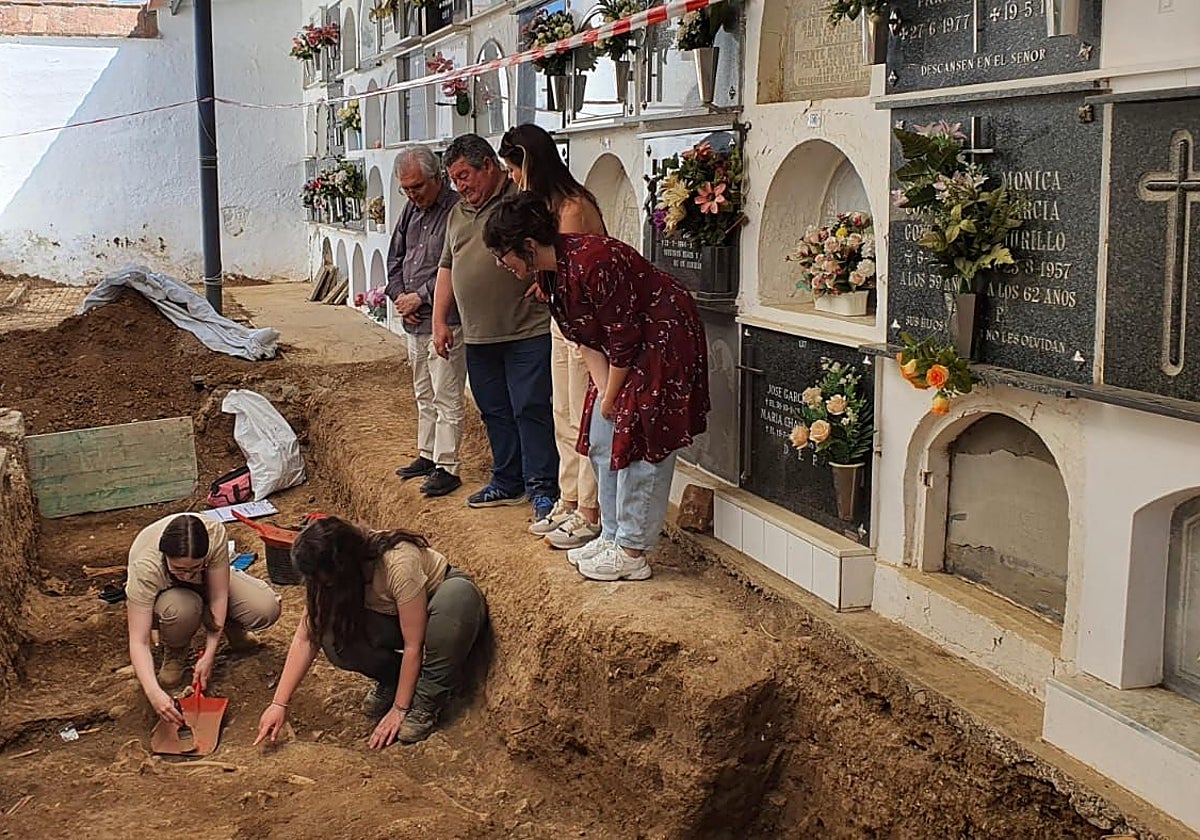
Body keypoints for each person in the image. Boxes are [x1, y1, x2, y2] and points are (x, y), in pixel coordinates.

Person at [483, 193, 710, 582]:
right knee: (603, 436)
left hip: (662, 340)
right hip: (621, 353)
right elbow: (583, 336)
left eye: (503, 255)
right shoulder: (550, 274)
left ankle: (633, 550)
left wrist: (614, 395)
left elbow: (625, 337)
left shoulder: (594, 261)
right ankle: (612, 534)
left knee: (642, 440)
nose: (500, 264)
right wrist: (607, 395)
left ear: (528, 245)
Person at [254, 516, 486, 748]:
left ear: (343, 568)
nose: (319, 584)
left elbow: (413, 645)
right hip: (394, 614)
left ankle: (426, 699)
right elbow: (306, 637)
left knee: (456, 601)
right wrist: (279, 704)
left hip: (437, 605)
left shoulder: (396, 563)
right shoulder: (332, 578)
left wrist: (399, 709)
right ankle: (392, 679)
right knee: (333, 635)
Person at [432, 133, 559, 525]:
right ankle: (507, 479)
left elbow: (553, 249)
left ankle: (543, 487)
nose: (461, 186)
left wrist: (547, 282)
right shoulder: (457, 213)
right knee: (495, 411)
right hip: (478, 334)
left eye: (465, 175)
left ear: (489, 165)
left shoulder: (522, 200)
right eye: (455, 179)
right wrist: (439, 320)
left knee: (531, 409)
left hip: (526, 330)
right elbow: (447, 268)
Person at [498, 124, 604, 551]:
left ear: (529, 162)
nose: (511, 178)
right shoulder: (546, 205)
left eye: (512, 167)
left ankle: (590, 512)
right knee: (562, 412)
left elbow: (580, 268)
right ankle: (570, 497)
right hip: (562, 317)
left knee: (584, 416)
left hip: (587, 322)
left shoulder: (573, 207)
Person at [126, 512, 281, 728]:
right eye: (180, 569)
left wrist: (209, 654)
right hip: (168, 597)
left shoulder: (214, 534)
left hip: (209, 583)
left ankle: (231, 625)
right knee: (183, 608)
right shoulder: (145, 568)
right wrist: (153, 694)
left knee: (264, 607)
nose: (187, 575)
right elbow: (138, 641)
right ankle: (175, 650)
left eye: (194, 568)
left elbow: (218, 595)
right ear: (165, 557)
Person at [385, 146, 466, 498]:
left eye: (417, 187)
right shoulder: (409, 212)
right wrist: (401, 298)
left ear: (437, 178)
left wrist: (422, 296)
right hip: (413, 320)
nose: (412, 195)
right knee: (423, 392)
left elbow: (457, 267)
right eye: (406, 189)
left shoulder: (456, 212)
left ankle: (447, 465)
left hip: (446, 319)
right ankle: (427, 453)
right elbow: (395, 257)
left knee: (447, 394)